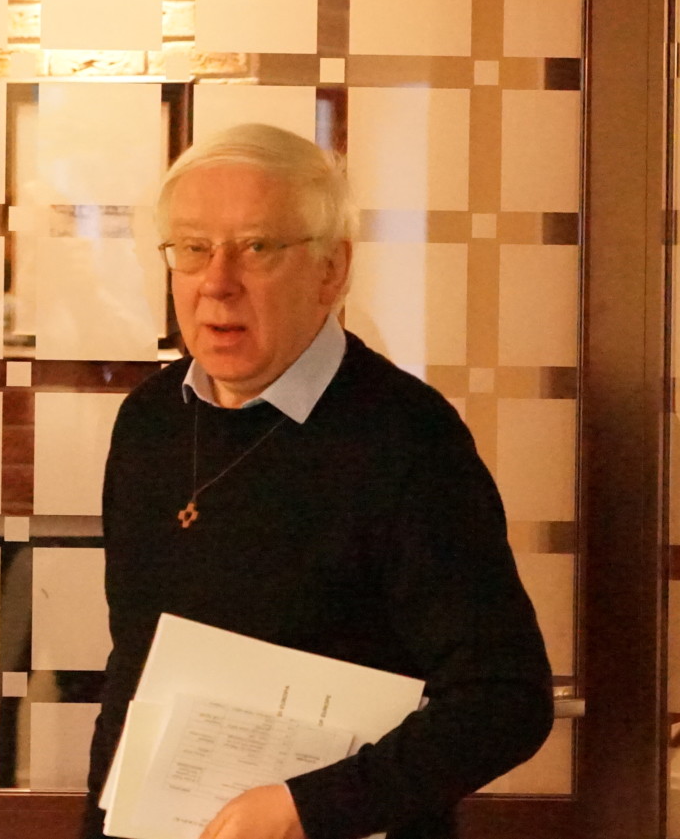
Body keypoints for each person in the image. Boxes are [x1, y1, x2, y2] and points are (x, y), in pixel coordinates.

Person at [84, 123, 553, 839]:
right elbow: (133, 668)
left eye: (256, 248)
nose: (217, 281)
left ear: (332, 270)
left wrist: (307, 808)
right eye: (193, 248)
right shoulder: (149, 421)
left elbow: (504, 699)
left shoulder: (408, 438)